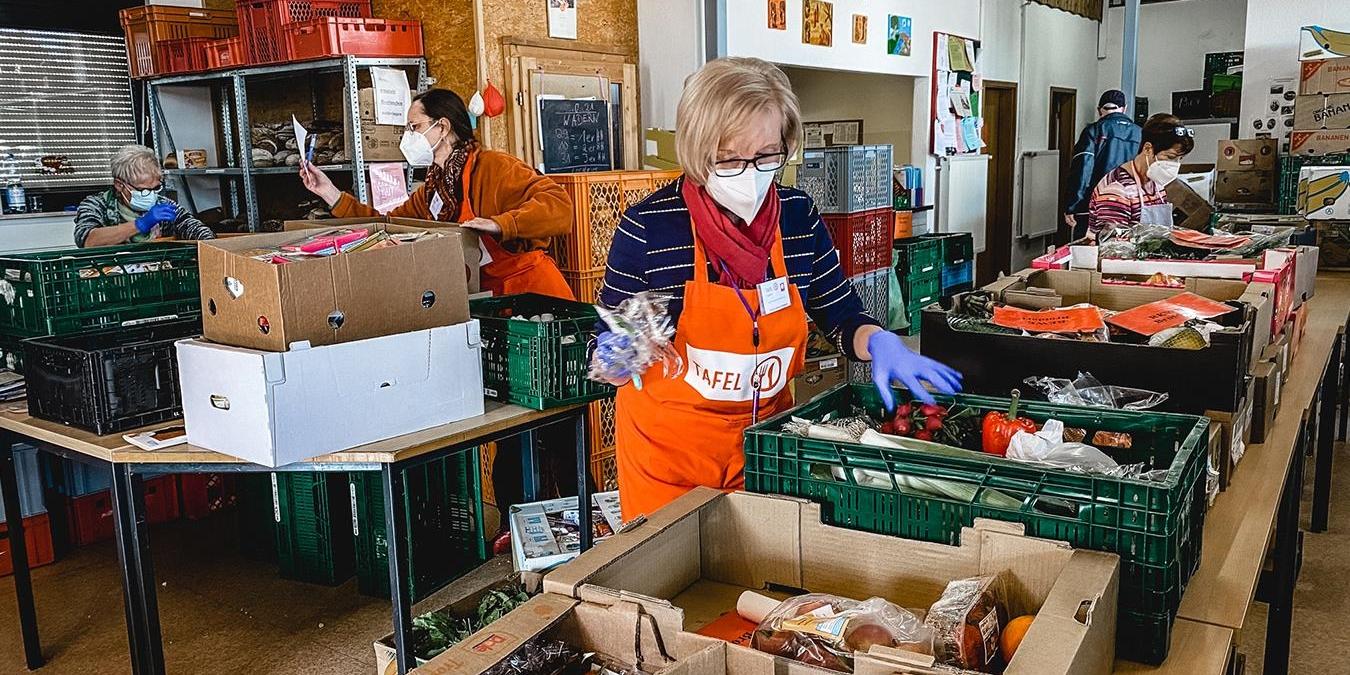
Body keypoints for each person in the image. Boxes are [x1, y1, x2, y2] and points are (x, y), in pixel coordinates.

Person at [598, 57, 962, 521]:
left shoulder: (796, 218)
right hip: (669, 465)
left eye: (768, 155)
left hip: (767, 451)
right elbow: (608, 339)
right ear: (697, 150)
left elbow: (841, 312)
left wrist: (881, 342)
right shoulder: (650, 227)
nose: (751, 174)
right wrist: (619, 352)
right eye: (729, 158)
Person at [299, 88, 575, 300]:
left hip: (533, 296)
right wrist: (331, 193)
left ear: (442, 127)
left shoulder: (494, 167)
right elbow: (388, 228)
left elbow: (559, 206)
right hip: (485, 299)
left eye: (414, 127)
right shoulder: (433, 187)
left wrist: (500, 224)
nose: (408, 137)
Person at [75, 144, 215, 247]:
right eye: (142, 190)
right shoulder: (96, 205)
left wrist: (209, 242)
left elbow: (193, 227)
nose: (150, 195)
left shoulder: (163, 205)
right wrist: (141, 224)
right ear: (119, 184)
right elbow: (88, 240)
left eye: (155, 188)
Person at [1086, 114, 1195, 240]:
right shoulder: (1117, 191)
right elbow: (1112, 248)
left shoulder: (1156, 183)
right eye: (1170, 157)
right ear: (1148, 149)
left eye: (1179, 159)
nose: (1175, 164)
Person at [1064, 90, 1142, 239]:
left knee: (1088, 251)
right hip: (1130, 205)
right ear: (1124, 108)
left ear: (1099, 110)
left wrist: (1073, 205)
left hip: (1094, 205)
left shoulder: (1093, 131)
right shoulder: (1140, 133)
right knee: (1122, 250)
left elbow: (1082, 170)